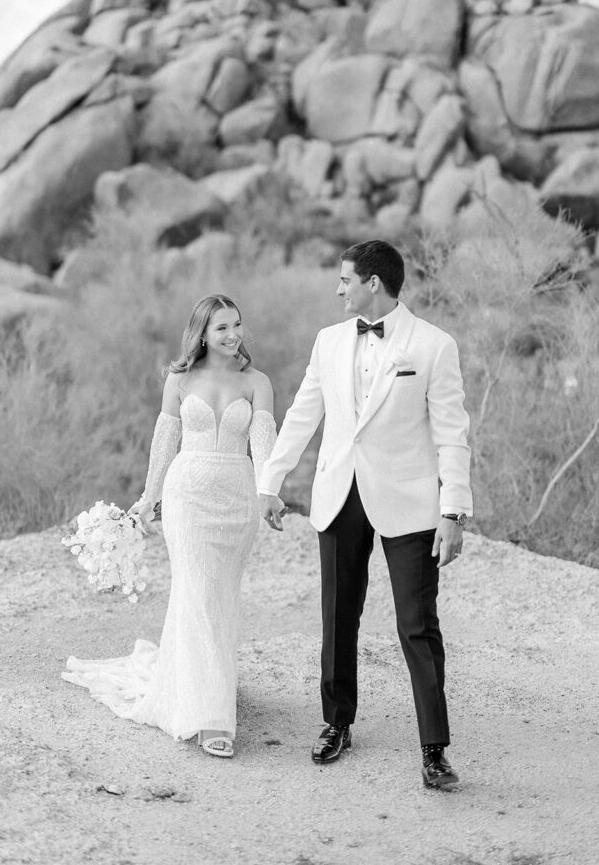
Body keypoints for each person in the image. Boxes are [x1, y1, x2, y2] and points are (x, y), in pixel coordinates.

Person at [258, 240, 472, 788]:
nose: (338, 288)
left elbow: (452, 435)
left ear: (373, 283)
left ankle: (434, 750)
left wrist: (454, 512)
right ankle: (336, 723)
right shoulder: (329, 341)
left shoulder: (433, 346)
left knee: (417, 626)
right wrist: (271, 481)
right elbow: (304, 412)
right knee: (338, 616)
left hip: (410, 499)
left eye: (345, 279)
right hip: (339, 492)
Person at [63, 294, 277, 759]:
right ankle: (210, 719)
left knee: (218, 597)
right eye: (222, 327)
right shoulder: (179, 380)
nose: (233, 334)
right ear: (202, 333)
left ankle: (202, 686)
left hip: (236, 500)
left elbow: (264, 444)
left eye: (237, 324)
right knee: (197, 593)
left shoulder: (258, 382)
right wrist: (147, 500)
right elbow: (165, 444)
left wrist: (269, 491)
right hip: (188, 500)